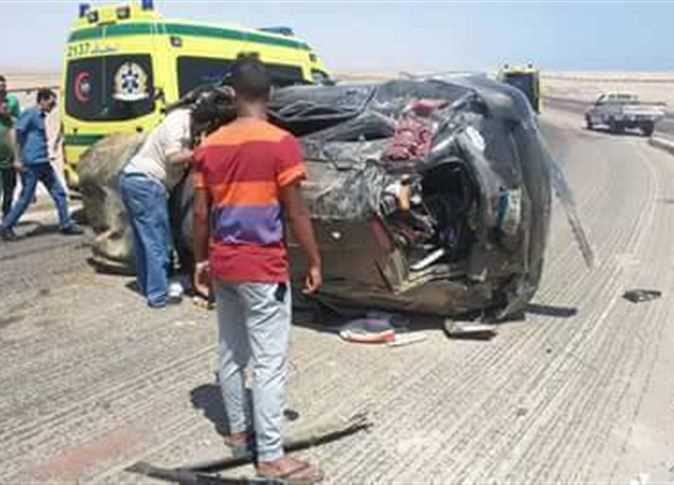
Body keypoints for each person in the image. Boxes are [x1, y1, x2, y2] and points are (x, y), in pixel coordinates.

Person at [192, 57, 324, 482]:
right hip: (263, 266)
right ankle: (270, 457)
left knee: (231, 353)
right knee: (268, 364)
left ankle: (237, 433)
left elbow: (200, 214)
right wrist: (314, 259)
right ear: (270, 95)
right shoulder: (281, 143)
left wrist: (200, 261)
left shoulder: (209, 145)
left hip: (224, 264)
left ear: (232, 95)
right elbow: (296, 211)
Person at [119, 105, 193, 308]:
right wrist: (200, 152)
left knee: (144, 240)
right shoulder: (178, 122)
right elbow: (173, 156)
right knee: (157, 242)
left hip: (133, 180)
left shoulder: (178, 121)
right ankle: (159, 295)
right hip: (147, 184)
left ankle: (148, 287)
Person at [0, 89, 82, 241]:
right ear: (42, 100)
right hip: (31, 164)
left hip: (43, 162)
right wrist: (17, 159)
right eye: (51, 102)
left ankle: (66, 223)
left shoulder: (40, 116)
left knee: (59, 193)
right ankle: (6, 226)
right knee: (25, 198)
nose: (53, 106)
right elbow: (16, 133)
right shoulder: (30, 114)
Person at [0, 97, 17, 218]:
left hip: (10, 163)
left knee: (9, 190)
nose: (6, 108)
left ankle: (7, 216)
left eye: (7, 106)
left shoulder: (13, 121)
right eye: (3, 105)